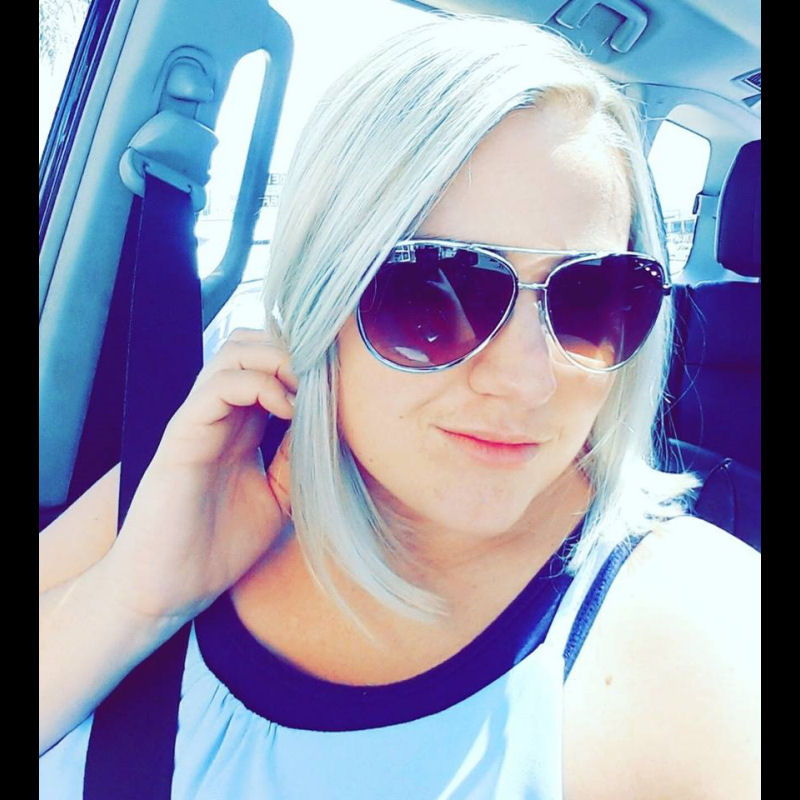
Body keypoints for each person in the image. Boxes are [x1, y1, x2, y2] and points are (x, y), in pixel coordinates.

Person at [39, 14, 760, 799]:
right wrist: (138, 598)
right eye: (432, 294)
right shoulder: (187, 487)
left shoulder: (702, 631)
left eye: (592, 296)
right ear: (319, 297)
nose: (528, 381)